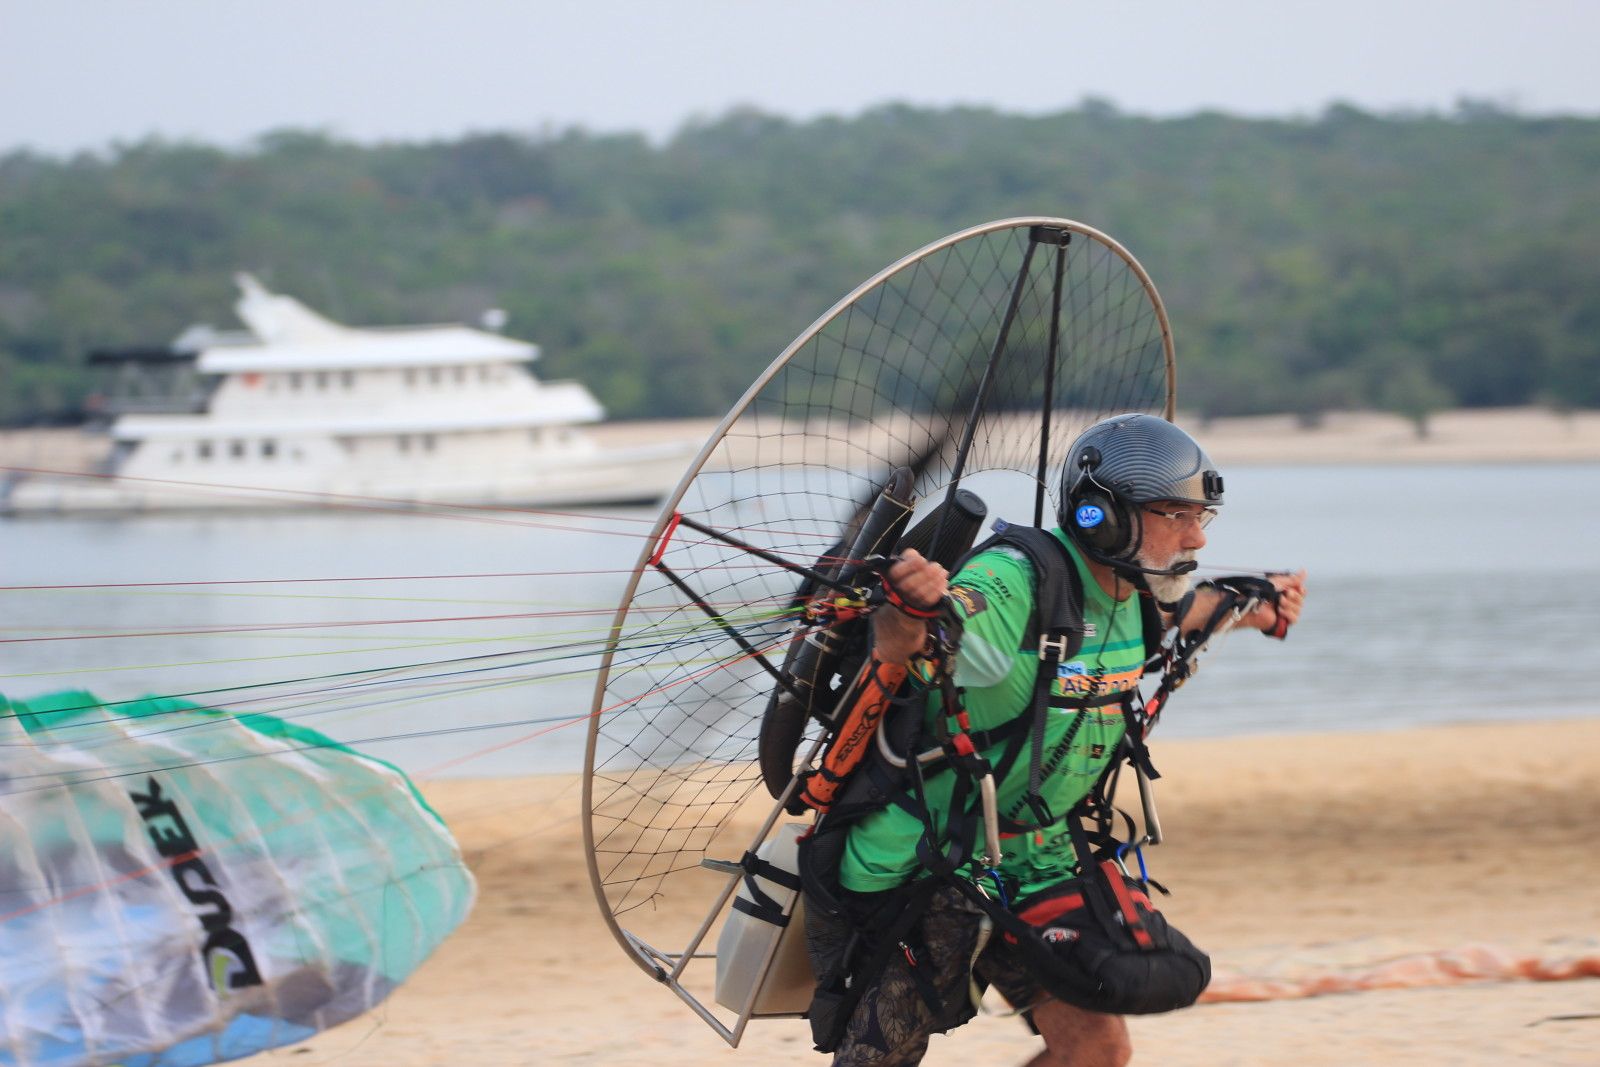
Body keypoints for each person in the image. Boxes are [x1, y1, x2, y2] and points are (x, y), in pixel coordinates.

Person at [819, 413, 1307, 1067]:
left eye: (1203, 518)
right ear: (1099, 516)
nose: (1195, 536)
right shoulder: (1012, 582)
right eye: (1174, 514)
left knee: (1097, 1049)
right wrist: (909, 608)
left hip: (1038, 860)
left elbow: (1175, 614)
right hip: (929, 862)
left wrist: (1252, 605)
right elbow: (929, 632)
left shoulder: (1134, 593)